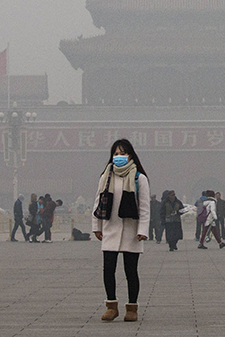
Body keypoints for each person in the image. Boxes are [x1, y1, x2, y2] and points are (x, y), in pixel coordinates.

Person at [92, 138, 150, 323]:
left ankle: (132, 307)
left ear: (130, 155)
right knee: (108, 269)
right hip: (110, 228)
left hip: (131, 231)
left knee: (130, 271)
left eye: (122, 153)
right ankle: (111, 306)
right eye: (116, 154)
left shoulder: (139, 178)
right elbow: (98, 202)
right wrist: (97, 227)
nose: (119, 157)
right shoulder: (106, 177)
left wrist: (143, 230)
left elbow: (144, 207)